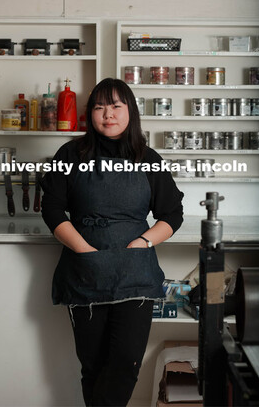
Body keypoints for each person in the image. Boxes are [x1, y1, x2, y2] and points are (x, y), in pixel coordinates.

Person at [41, 78, 184, 407]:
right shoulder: (70, 154)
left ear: (130, 112)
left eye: (117, 106)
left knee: (124, 364)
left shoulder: (147, 157)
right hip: (85, 271)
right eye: (99, 106)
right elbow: (51, 209)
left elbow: (172, 214)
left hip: (134, 272)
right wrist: (83, 249)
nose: (108, 114)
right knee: (92, 367)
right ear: (90, 114)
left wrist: (143, 244)